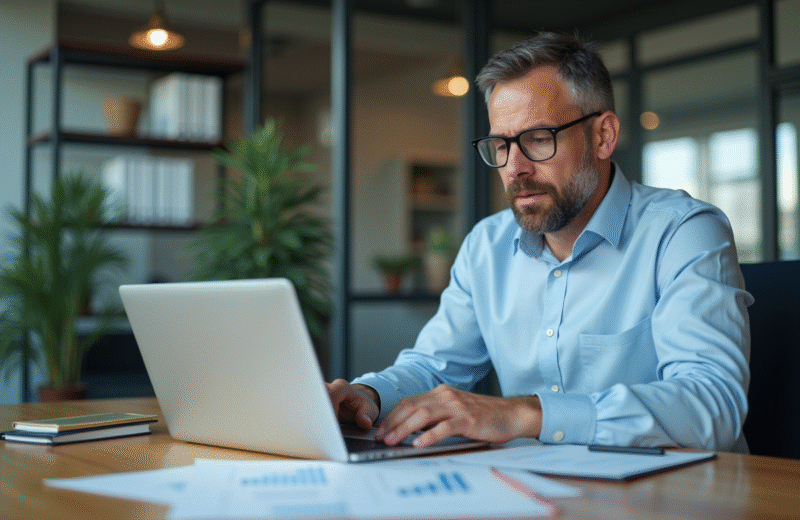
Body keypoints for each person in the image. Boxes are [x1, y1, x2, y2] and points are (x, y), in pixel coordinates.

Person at [327, 31, 752, 453]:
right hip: (536, 483)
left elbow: (712, 404)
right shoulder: (487, 246)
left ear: (603, 136)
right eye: (501, 145)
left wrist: (526, 414)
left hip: (676, 487)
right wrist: (369, 395)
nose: (515, 168)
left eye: (538, 139)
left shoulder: (683, 232)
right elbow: (433, 368)